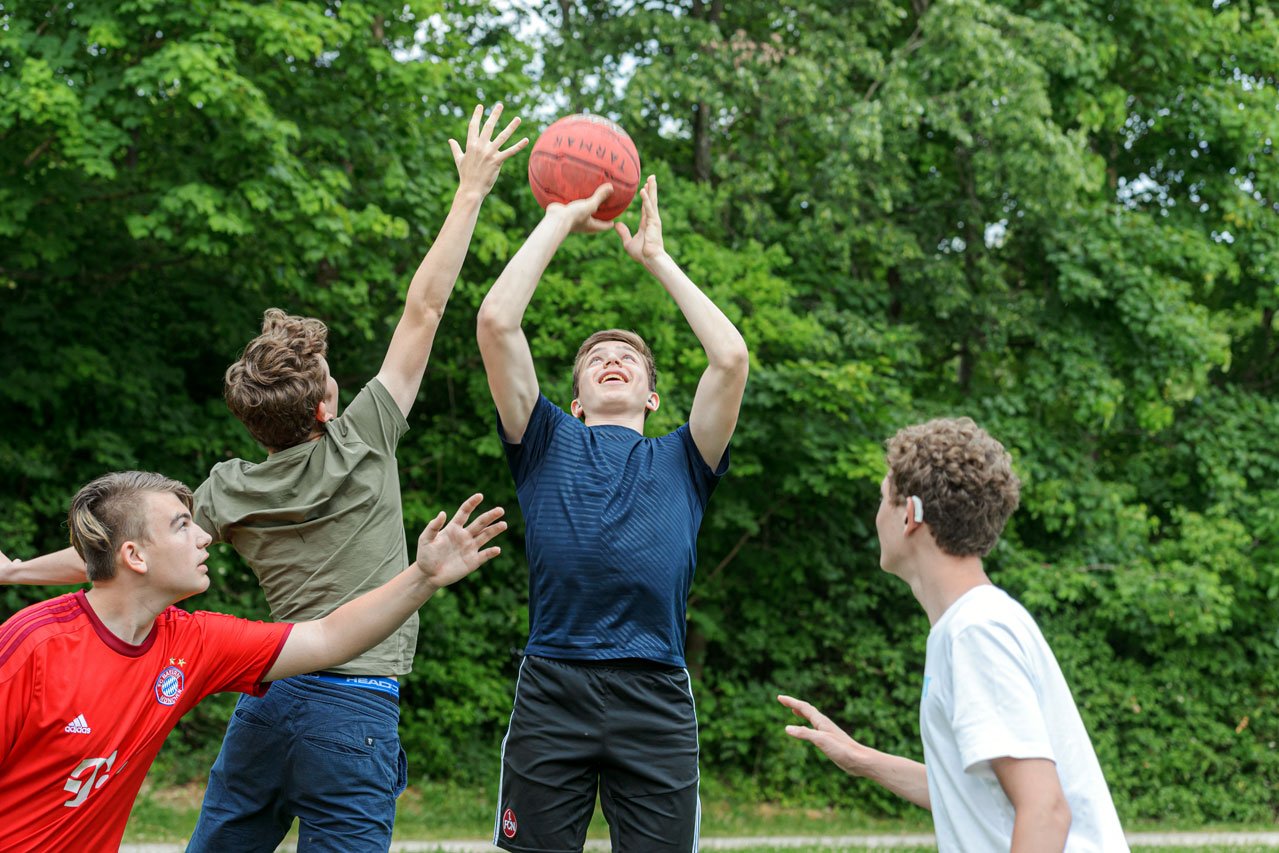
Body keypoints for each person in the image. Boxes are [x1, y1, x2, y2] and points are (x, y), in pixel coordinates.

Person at [0, 102, 528, 850]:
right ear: (323, 404)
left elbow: (115, 550)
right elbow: (426, 306)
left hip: (268, 695)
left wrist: (17, 569)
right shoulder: (366, 435)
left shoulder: (224, 490)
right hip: (354, 707)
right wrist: (469, 189)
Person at [0, 471, 504, 852]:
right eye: (181, 526)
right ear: (135, 556)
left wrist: (423, 577)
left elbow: (327, 638)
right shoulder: (32, 647)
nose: (203, 537)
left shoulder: (191, 643)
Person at [476, 175, 749, 852]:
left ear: (652, 397)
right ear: (574, 400)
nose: (611, 359)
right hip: (553, 683)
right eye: (596, 357)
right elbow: (495, 323)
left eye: (628, 357)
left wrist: (657, 260)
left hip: (654, 690)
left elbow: (731, 356)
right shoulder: (543, 440)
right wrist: (559, 221)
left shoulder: (684, 457)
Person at [778, 418, 1128, 852]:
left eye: (882, 498)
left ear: (909, 515)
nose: (876, 514)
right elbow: (972, 796)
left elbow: (1045, 810)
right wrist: (861, 759)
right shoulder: (972, 624)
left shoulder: (975, 632)